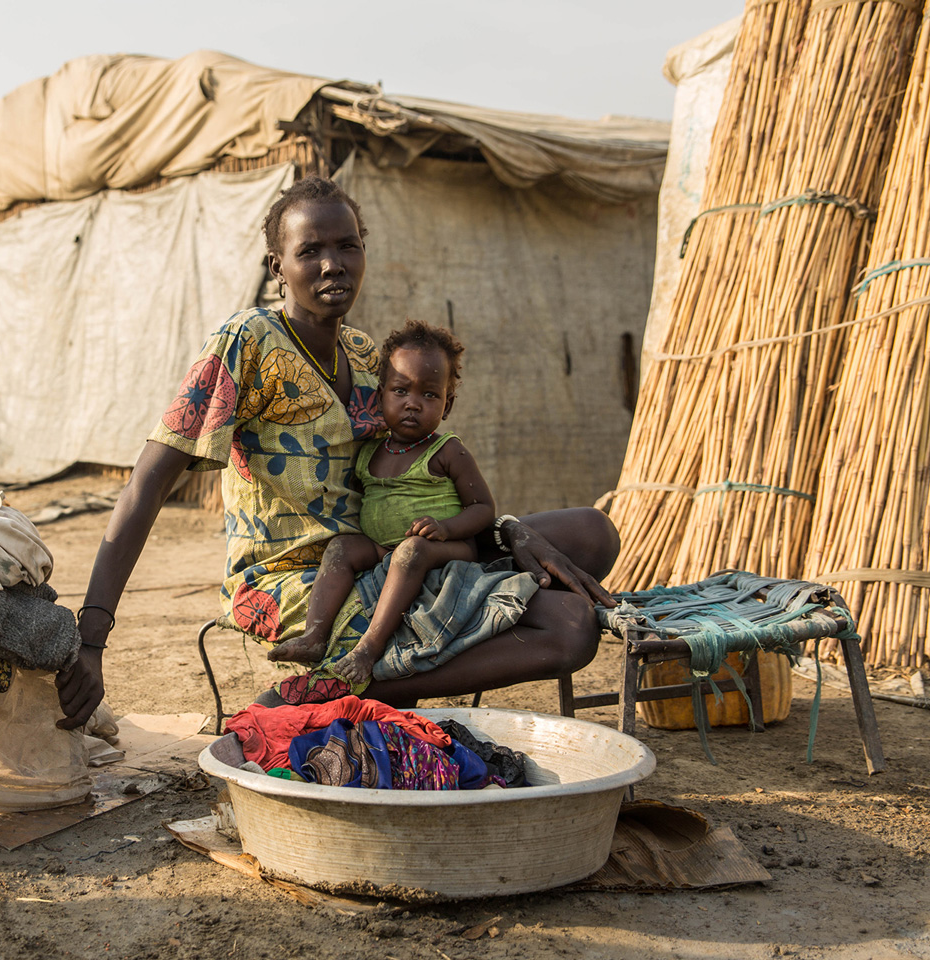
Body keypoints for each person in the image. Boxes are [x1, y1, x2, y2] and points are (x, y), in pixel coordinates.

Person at [55, 176, 618, 730]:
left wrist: (508, 530)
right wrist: (92, 636)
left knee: (592, 532)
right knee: (570, 629)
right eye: (310, 251)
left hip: (383, 553)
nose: (333, 264)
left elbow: (420, 473)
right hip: (298, 580)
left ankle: (379, 664)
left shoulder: (365, 353)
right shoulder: (246, 343)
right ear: (278, 268)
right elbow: (148, 484)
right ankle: (331, 688)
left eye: (347, 245)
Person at [267, 319, 494, 684]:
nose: (413, 404)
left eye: (429, 395)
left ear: (447, 405)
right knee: (341, 547)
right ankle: (314, 635)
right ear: (380, 395)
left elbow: (483, 507)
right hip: (382, 549)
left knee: (410, 551)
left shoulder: (447, 450)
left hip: (445, 548)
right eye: (401, 391)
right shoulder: (370, 450)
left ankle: (368, 649)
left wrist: (445, 528)